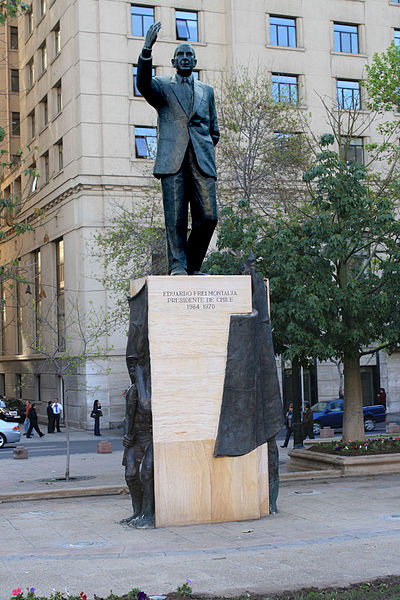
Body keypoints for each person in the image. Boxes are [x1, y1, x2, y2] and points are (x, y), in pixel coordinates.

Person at [137, 22, 219, 275]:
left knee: (208, 216)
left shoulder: (207, 91)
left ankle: (192, 265)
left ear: (195, 61)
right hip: (172, 159)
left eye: (188, 55)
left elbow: (214, 129)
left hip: (201, 160)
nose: (184, 58)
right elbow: (143, 84)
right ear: (173, 61)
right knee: (176, 217)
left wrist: (201, 146)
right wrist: (146, 50)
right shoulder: (162, 86)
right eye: (180, 55)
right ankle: (177, 265)